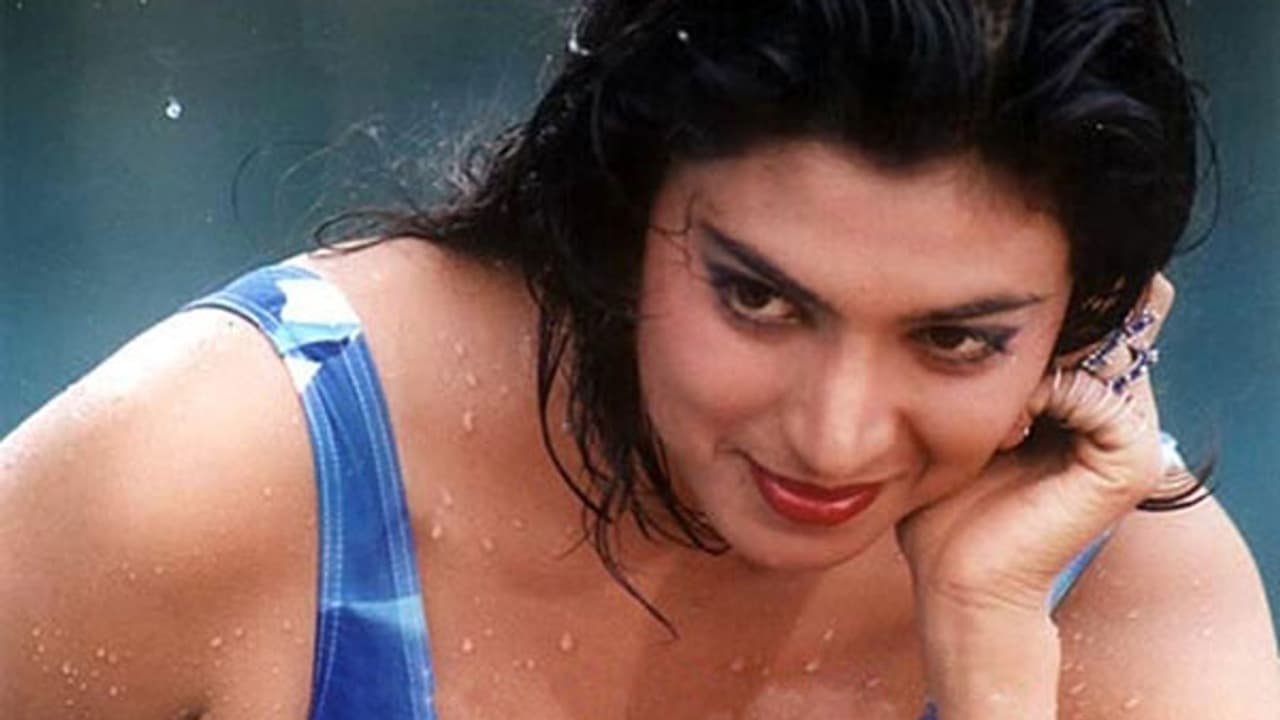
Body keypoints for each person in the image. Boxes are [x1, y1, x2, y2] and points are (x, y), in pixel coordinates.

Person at [2, 0, 1277, 718]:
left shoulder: (1125, 596)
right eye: (757, 299)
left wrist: (990, 661)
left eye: (954, 339)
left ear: (1089, 318)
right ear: (620, 204)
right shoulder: (230, 466)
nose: (834, 434)